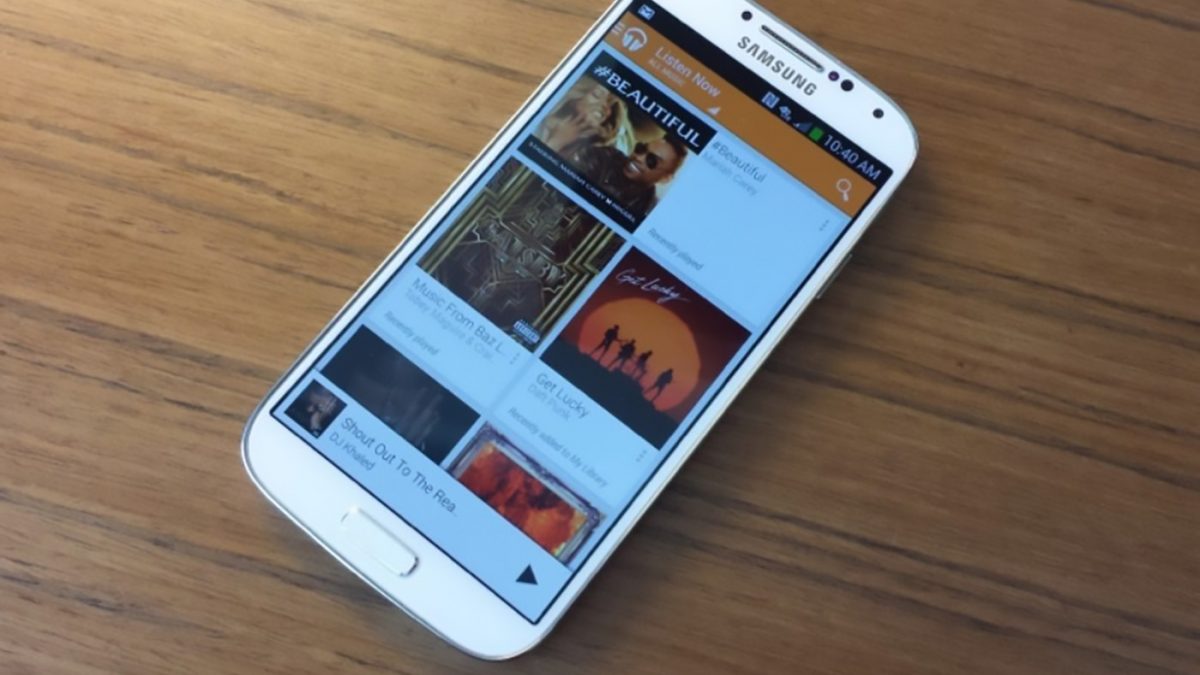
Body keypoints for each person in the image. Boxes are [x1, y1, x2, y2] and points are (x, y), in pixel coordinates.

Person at [574, 136, 687, 220]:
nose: (638, 157)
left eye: (652, 160)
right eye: (641, 148)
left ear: (664, 178)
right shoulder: (604, 157)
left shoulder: (648, 215)